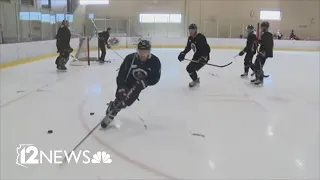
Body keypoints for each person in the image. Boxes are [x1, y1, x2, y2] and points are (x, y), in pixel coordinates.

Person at [100, 40, 161, 128]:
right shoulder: (130, 59)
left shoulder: (155, 62)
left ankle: (114, 107)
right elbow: (121, 74)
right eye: (141, 52)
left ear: (149, 51)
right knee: (121, 98)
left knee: (126, 102)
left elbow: (156, 78)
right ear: (137, 51)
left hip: (140, 84)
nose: (143, 54)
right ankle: (112, 112)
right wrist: (121, 87)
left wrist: (146, 82)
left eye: (145, 52)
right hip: (126, 82)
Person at [251, 21, 274, 86]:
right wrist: (258, 41)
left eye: (262, 27)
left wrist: (265, 53)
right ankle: (257, 77)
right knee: (256, 64)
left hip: (263, 52)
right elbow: (263, 42)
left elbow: (269, 45)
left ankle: (260, 79)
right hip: (261, 52)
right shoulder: (264, 34)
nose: (261, 28)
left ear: (266, 27)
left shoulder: (268, 34)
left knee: (259, 65)